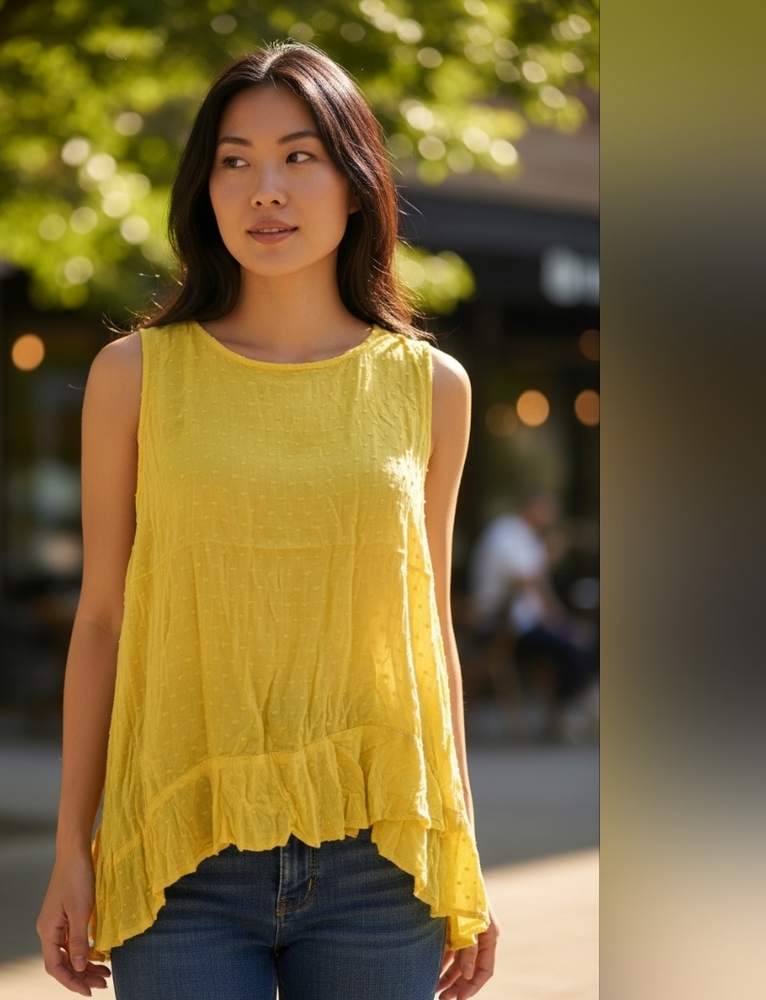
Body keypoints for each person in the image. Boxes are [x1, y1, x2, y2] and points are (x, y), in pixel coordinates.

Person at [36, 43, 497, 1000]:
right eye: (234, 160)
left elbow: (429, 634)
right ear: (205, 190)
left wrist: (462, 851)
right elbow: (103, 622)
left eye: (299, 155)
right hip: (181, 854)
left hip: (380, 862)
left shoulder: (429, 386)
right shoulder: (136, 376)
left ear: (359, 183)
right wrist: (71, 850)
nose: (264, 190)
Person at [468, 490, 596, 734]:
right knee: (574, 645)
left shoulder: (523, 536)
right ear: (533, 507)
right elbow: (529, 584)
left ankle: (566, 707)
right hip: (500, 627)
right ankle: (566, 711)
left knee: (584, 640)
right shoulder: (507, 533)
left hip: (517, 624)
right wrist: (559, 621)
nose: (551, 517)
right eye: (548, 509)